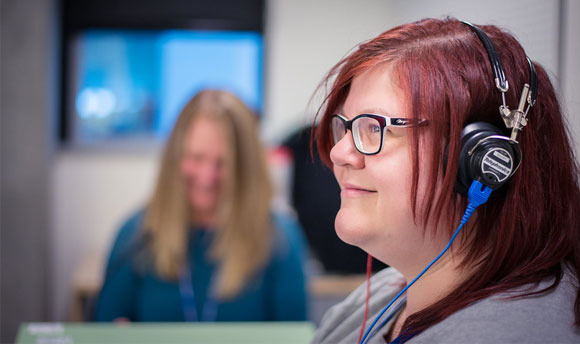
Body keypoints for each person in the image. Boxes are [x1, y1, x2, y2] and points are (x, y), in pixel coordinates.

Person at [311, 18, 580, 343]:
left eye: (374, 128)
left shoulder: (511, 334)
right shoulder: (387, 292)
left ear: (480, 158)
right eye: (347, 125)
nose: (340, 152)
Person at [95, 89, 308, 322]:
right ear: (175, 158)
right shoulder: (136, 236)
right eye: (196, 158)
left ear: (245, 168)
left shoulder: (280, 240)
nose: (207, 177)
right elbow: (102, 326)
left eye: (223, 163)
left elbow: (295, 333)